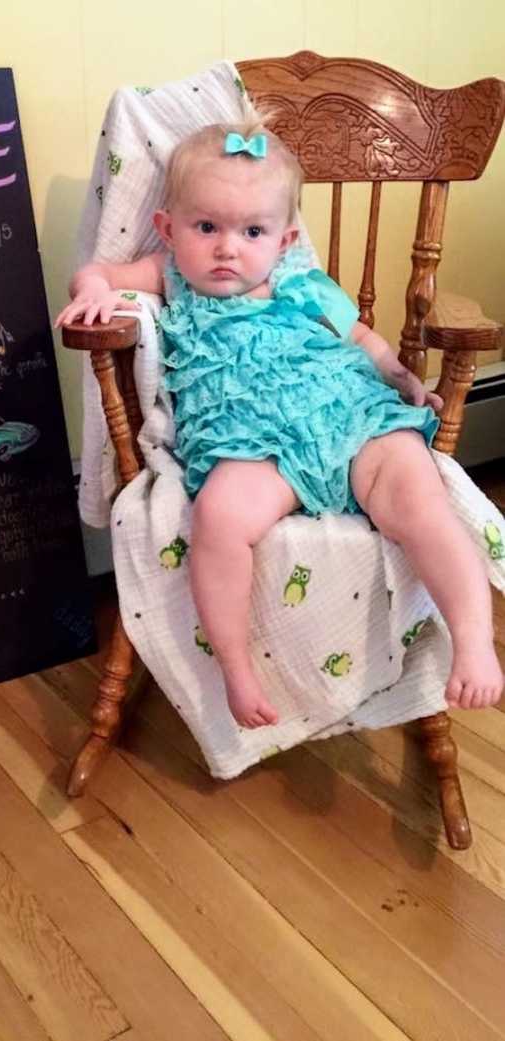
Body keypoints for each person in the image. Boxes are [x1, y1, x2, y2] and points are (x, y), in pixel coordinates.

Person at [56, 111, 503, 729]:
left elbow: (363, 337)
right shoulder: (171, 277)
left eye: (253, 231)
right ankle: (237, 669)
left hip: (346, 414)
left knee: (418, 496)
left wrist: (402, 380)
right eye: (206, 226)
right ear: (168, 228)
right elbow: (101, 272)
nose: (226, 248)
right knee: (217, 517)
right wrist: (94, 289)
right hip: (249, 440)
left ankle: (473, 637)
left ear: (283, 241)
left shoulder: (299, 281)